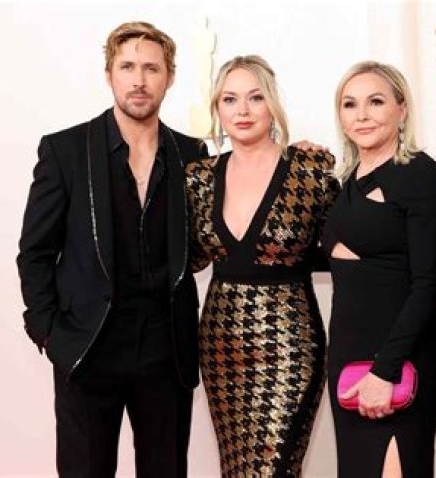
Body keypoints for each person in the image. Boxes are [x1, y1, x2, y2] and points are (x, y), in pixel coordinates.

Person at [16, 22, 204, 477]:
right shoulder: (65, 150)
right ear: (109, 74)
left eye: (151, 68)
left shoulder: (192, 155)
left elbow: (230, 215)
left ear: (169, 77)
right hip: (87, 345)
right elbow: (35, 251)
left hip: (166, 350)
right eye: (127, 67)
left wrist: (290, 155)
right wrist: (48, 331)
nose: (139, 80)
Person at [185, 55, 339, 476]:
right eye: (230, 99)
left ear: (272, 104)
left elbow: (342, 249)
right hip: (221, 344)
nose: (243, 110)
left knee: (274, 467)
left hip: (290, 343)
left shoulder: (309, 171)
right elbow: (192, 256)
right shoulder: (198, 177)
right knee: (237, 469)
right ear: (217, 108)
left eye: (255, 98)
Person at [323, 61, 436, 477]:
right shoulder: (345, 181)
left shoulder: (420, 174)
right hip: (347, 359)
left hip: (399, 362)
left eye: (375, 102)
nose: (362, 115)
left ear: (401, 109)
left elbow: (427, 284)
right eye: (350, 104)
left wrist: (385, 369)